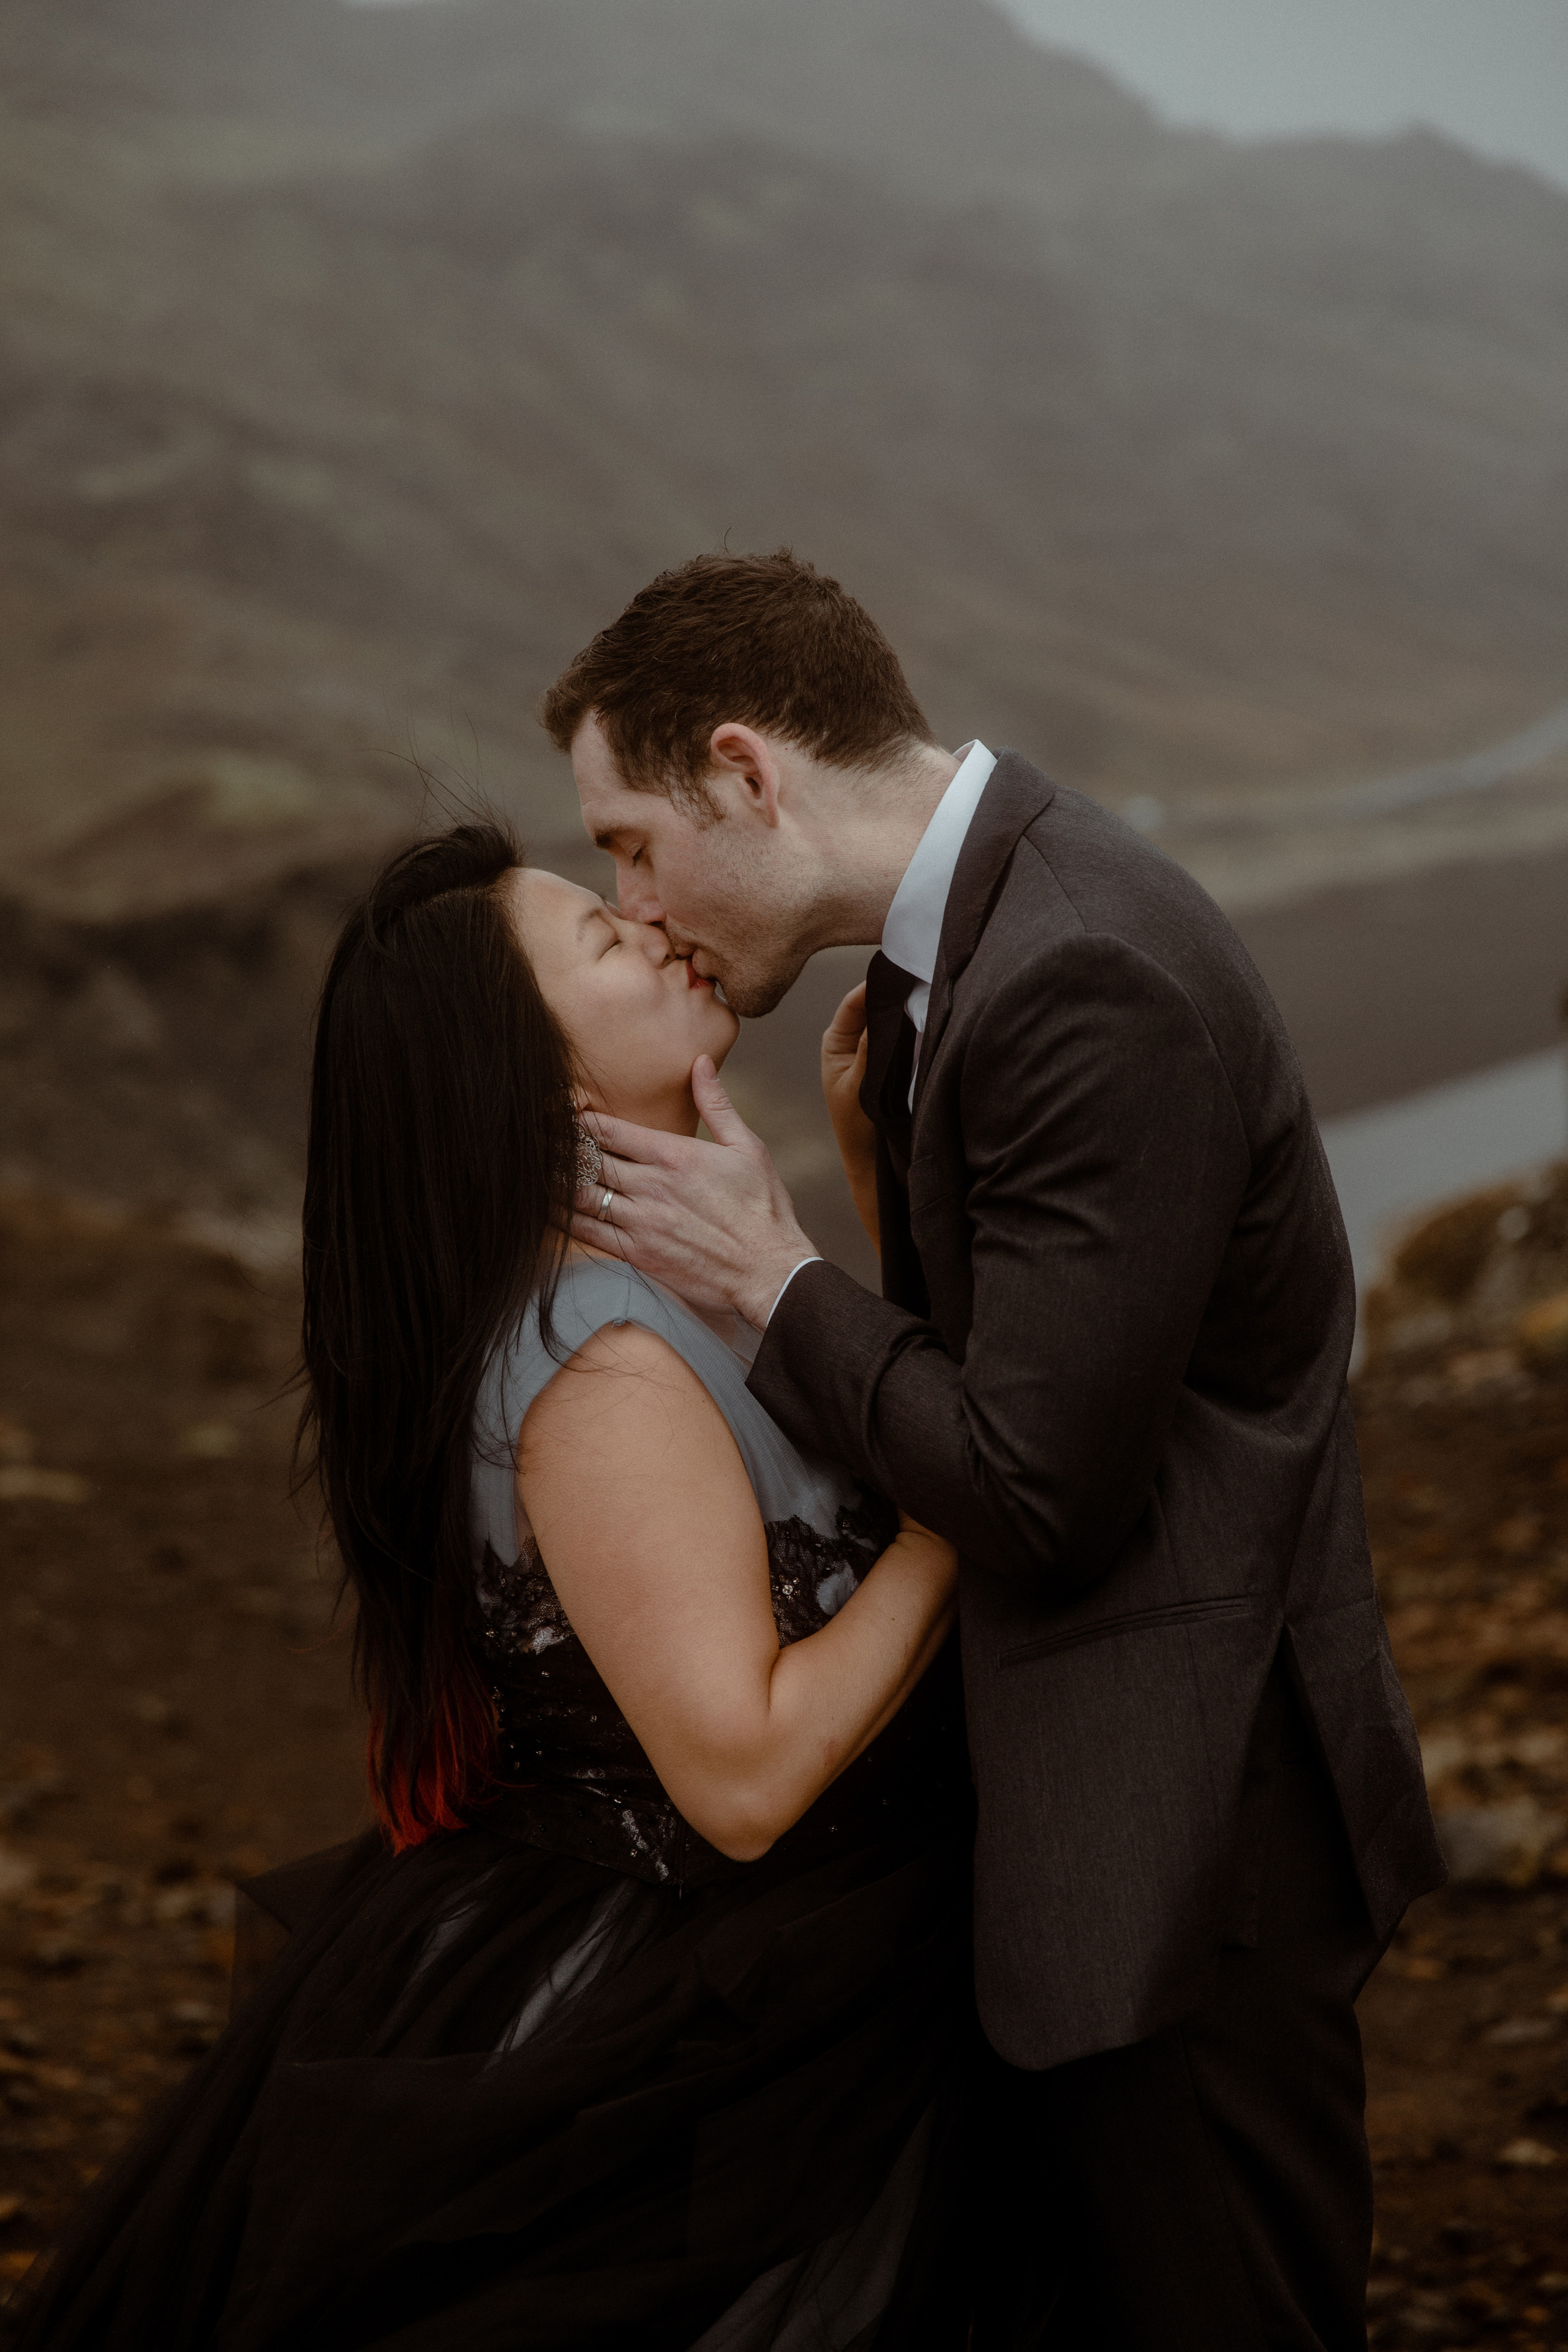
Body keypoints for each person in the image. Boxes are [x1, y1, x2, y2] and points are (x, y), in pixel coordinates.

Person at [540, 548, 1449, 2350]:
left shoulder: (1076, 969)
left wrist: (770, 1271)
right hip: (1119, 1835)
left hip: (1185, 1847)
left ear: (744, 768)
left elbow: (1037, 1487)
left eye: (633, 840)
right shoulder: (989, 936)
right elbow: (1052, 1367)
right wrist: (874, 1214)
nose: (630, 900)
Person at [10, 825, 977, 2351]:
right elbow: (739, 1774)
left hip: (755, 1956)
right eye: (603, 940)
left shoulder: (648, 1294)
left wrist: (862, 1187)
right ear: (534, 1091)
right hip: (708, 2016)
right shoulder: (598, 1362)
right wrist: (960, 1522)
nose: (654, 928)